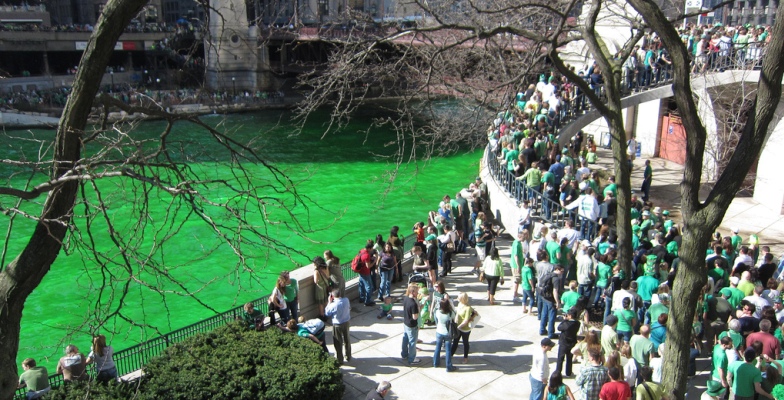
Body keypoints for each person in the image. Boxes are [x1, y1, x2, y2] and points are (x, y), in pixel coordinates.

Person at [324, 288, 352, 365]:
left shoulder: (333, 305)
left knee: (338, 342)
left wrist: (329, 302)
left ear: (332, 296)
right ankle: (348, 355)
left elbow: (327, 313)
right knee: (347, 339)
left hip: (337, 325)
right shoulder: (346, 300)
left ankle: (340, 359)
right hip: (346, 322)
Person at [451, 292, 476, 364]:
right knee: (455, 342)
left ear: (462, 299)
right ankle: (451, 354)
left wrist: (459, 327)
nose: (457, 298)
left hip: (465, 329)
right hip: (458, 326)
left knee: (465, 343)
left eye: (458, 297)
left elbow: (466, 320)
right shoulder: (459, 304)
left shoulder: (468, 308)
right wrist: (456, 322)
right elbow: (457, 314)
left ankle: (465, 358)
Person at [433, 298, 457, 372]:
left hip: (439, 332)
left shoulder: (437, 312)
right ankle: (448, 366)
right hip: (447, 333)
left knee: (437, 348)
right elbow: (455, 319)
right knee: (448, 350)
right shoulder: (450, 313)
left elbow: (436, 319)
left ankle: (436, 363)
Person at [556, 309, 581, 377]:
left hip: (564, 343)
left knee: (560, 359)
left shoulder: (566, 324)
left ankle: (558, 373)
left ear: (570, 316)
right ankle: (568, 372)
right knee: (569, 359)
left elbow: (559, 328)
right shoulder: (577, 323)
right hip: (572, 343)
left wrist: (564, 320)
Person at [401, 283, 421, 365]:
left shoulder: (405, 299)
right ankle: (412, 359)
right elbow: (415, 317)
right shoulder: (413, 303)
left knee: (405, 339)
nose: (417, 293)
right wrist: (419, 311)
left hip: (406, 322)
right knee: (412, 342)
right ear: (412, 292)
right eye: (416, 292)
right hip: (412, 325)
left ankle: (404, 354)